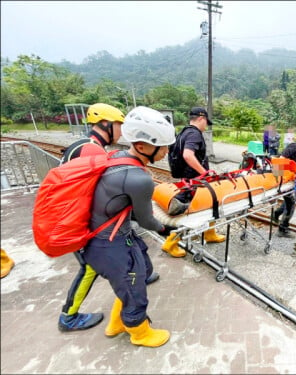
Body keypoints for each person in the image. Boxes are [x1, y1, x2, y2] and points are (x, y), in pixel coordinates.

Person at [58, 103, 164, 333]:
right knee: (90, 269)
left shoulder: (87, 146)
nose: (121, 130)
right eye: (119, 124)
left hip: (96, 221)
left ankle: (140, 277)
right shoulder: (92, 150)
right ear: (106, 124)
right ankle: (68, 316)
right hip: (86, 225)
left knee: (135, 253)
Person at [82, 106, 175, 347]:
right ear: (143, 147)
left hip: (108, 235)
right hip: (109, 242)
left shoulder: (116, 157)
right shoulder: (139, 177)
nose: (166, 152)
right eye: (162, 146)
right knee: (134, 287)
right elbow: (145, 220)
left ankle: (117, 322)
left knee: (141, 268)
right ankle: (139, 332)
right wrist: (166, 229)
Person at [161, 107, 226, 258]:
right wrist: (203, 172)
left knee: (210, 204)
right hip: (195, 182)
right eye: (206, 123)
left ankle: (210, 233)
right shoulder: (195, 134)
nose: (206, 126)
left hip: (188, 179)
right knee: (191, 213)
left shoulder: (184, 132)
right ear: (201, 118)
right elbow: (188, 155)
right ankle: (170, 243)